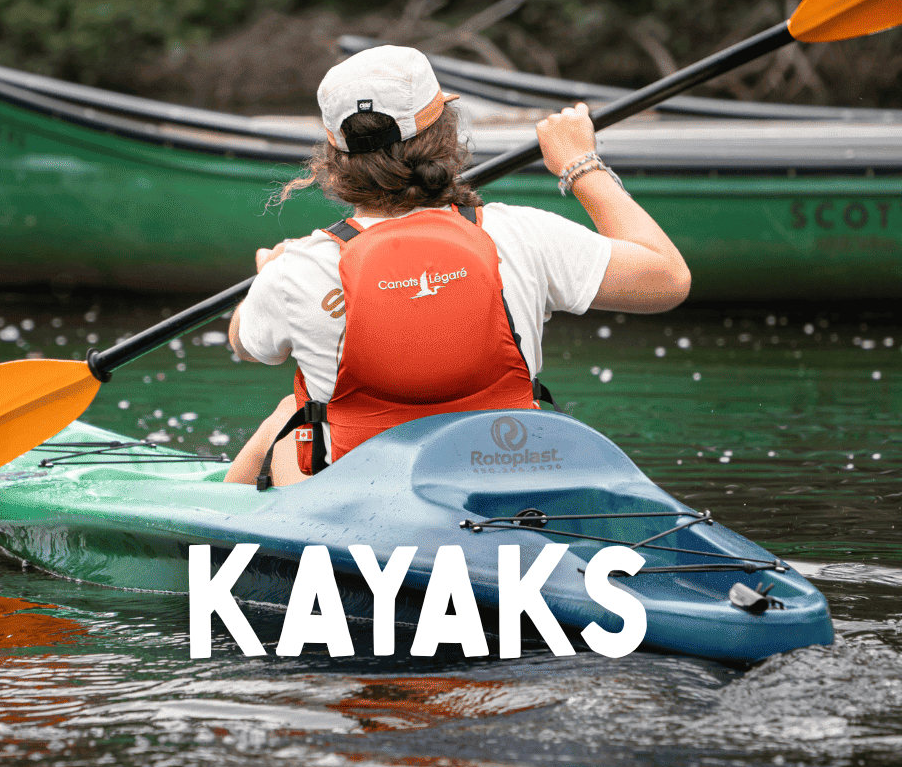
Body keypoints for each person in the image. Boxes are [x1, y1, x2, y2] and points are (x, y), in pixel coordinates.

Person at [225, 45, 689, 488]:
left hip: (359, 505)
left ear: (334, 157)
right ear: (445, 134)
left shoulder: (301, 269)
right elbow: (668, 279)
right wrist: (579, 163)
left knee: (290, 414)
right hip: (505, 482)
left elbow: (246, 345)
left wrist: (269, 275)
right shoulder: (520, 234)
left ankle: (202, 540)